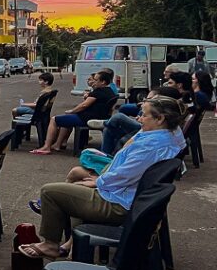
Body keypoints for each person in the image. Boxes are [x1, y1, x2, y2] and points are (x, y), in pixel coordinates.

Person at [20, 95, 186, 259]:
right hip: (133, 198)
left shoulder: (151, 146)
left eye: (143, 114)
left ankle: (50, 245)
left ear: (160, 119)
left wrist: (99, 181)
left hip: (118, 204)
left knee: (50, 192)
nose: (138, 118)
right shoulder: (169, 134)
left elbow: (125, 175)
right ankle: (74, 245)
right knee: (75, 189)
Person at [32, 70, 115, 154]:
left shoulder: (99, 92)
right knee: (66, 120)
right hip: (100, 117)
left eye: (96, 80)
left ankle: (46, 146)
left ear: (103, 82)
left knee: (54, 119)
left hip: (86, 118)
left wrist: (72, 111)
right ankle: (58, 144)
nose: (94, 82)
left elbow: (84, 105)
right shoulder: (110, 92)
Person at [101, 86, 184, 156]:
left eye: (149, 100)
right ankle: (104, 155)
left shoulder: (151, 144)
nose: (145, 102)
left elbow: (122, 172)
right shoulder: (164, 134)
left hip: (118, 171)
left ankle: (105, 123)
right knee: (109, 129)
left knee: (118, 117)